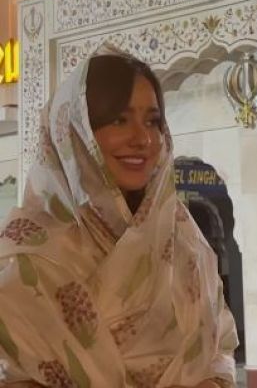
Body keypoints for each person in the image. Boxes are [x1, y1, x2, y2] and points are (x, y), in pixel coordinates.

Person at [0, 47, 238, 387]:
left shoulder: (183, 241)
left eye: (152, 121)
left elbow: (219, 351)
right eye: (118, 120)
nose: (142, 139)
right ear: (76, 133)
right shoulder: (25, 263)